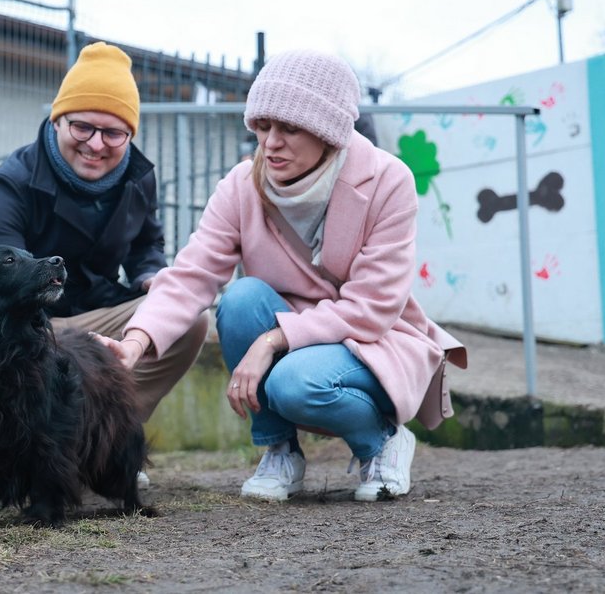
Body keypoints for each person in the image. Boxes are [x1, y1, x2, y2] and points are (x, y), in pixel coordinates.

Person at [100, 49, 466, 502]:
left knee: (294, 382)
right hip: (295, 330)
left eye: (290, 127)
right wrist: (135, 342)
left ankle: (383, 442)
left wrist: (271, 340)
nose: (271, 142)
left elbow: (373, 309)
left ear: (329, 133)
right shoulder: (240, 184)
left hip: (372, 338)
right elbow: (193, 273)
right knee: (240, 298)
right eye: (263, 126)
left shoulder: (388, 181)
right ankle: (280, 452)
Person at [0, 42, 210, 480]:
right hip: (33, 327)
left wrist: (148, 277)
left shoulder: (139, 179)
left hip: (100, 310)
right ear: (58, 119)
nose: (96, 145)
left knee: (187, 318)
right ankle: (38, 452)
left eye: (113, 133)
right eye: (82, 127)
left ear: (130, 136)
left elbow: (147, 244)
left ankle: (110, 442)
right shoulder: (9, 186)